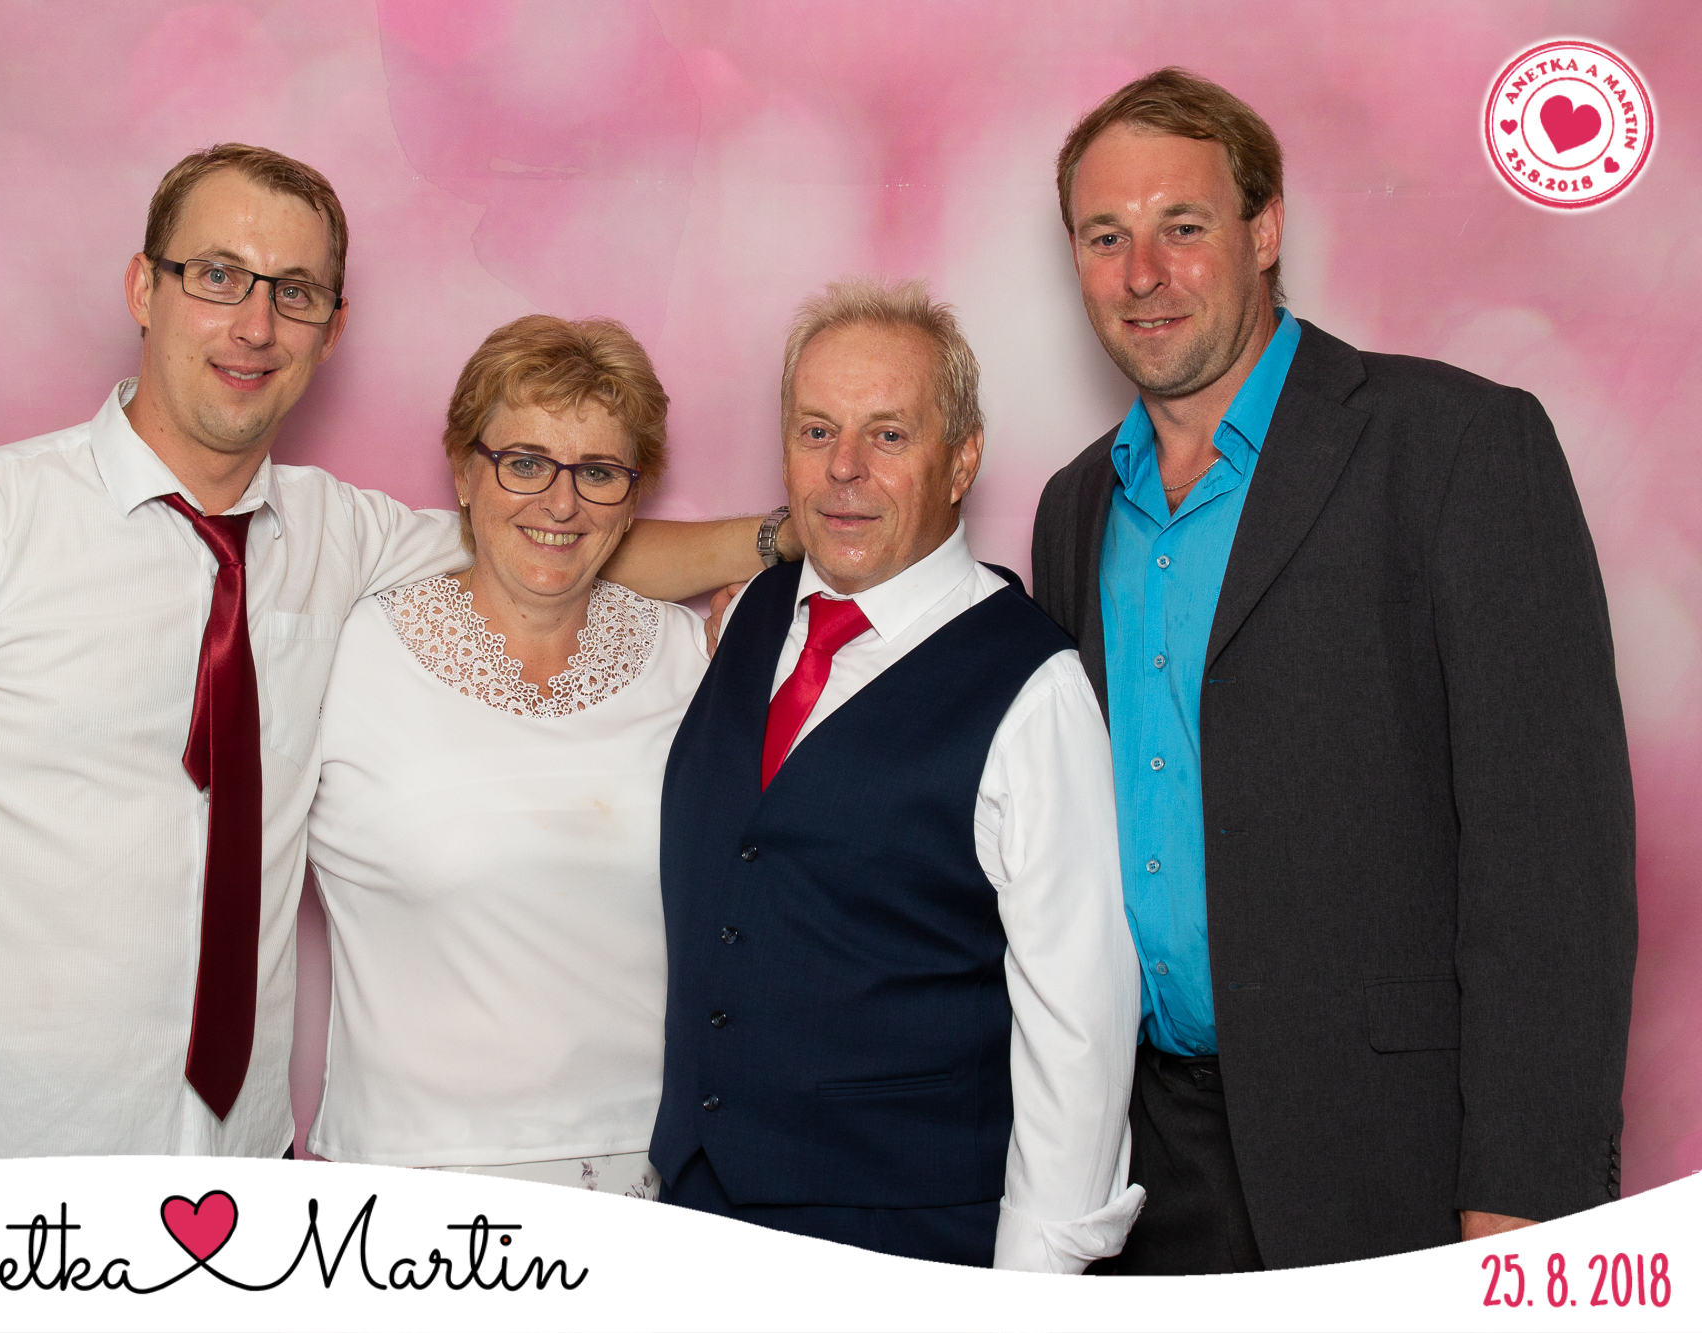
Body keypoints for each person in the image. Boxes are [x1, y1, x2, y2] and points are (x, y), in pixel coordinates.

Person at [0, 143, 782, 1191]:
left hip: (238, 1165)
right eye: (218, 276)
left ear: (331, 329)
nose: (255, 324)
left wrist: (796, 538)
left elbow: (555, 542)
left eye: (294, 292)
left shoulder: (344, 537)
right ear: (143, 288)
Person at [1028, 68, 1636, 1272]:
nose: (1140, 272)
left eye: (1181, 225)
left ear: (1263, 229)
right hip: (1141, 1169)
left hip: (1395, 1163)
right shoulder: (1073, 506)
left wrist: (1522, 1197)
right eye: (1104, 236)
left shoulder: (1455, 447)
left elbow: (1552, 863)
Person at [652, 278, 1142, 1271]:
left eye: (886, 435)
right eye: (815, 431)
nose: (843, 469)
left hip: (905, 1236)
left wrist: (1033, 1279)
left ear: (960, 459)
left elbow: (1079, 1023)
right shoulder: (749, 616)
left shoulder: (1032, 689)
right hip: (699, 1212)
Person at [302, 314, 706, 1195]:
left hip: (656, 1171)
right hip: (411, 1176)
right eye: (524, 462)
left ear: (632, 495)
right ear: (462, 469)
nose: (560, 504)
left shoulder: (694, 656)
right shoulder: (348, 651)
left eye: (597, 472)